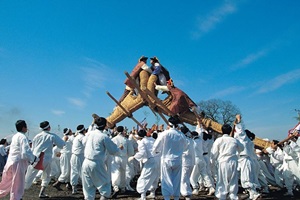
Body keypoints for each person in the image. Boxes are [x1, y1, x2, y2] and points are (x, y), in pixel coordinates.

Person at [81, 117, 120, 200]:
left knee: (88, 189)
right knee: (105, 188)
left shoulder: (90, 133)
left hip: (86, 162)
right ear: (105, 126)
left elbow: (83, 142)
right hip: (96, 163)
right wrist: (119, 148)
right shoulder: (104, 137)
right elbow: (113, 151)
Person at [24, 121, 65, 198]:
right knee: (46, 176)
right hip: (46, 158)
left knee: (30, 175)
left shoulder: (37, 136)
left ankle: (20, 191)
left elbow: (33, 148)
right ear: (49, 127)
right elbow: (62, 144)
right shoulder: (52, 136)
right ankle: (42, 192)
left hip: (36, 158)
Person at [0, 120, 39, 200]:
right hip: (18, 163)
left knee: (6, 183)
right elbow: (25, 152)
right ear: (23, 127)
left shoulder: (15, 136)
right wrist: (34, 158)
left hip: (10, 162)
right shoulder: (23, 137)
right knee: (17, 184)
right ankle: (17, 198)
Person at [152, 116, 187, 200]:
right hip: (178, 159)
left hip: (166, 159)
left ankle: (167, 197)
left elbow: (156, 146)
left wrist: (157, 152)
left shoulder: (165, 133)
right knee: (177, 179)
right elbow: (185, 146)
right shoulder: (181, 135)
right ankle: (176, 197)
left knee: (165, 179)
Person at [210, 123, 244, 200]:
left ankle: (222, 196)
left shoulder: (219, 140)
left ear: (222, 131)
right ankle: (233, 195)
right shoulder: (234, 140)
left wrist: (212, 162)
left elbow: (214, 152)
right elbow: (242, 148)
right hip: (233, 161)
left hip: (223, 161)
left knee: (222, 179)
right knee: (233, 179)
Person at [128, 129, 160, 200]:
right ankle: (152, 193)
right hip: (158, 160)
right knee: (155, 177)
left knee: (144, 177)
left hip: (150, 160)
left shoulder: (143, 141)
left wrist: (134, 157)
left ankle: (143, 196)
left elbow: (142, 153)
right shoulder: (152, 139)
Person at [111, 126, 134, 197]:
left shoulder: (113, 139)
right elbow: (131, 151)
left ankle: (115, 187)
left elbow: (111, 149)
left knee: (115, 172)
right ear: (123, 130)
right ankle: (123, 188)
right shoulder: (126, 140)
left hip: (115, 157)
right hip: (124, 158)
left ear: (117, 131)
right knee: (123, 172)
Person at [180, 127, 195, 200]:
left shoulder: (184, 140)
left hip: (185, 161)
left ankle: (186, 193)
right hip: (191, 162)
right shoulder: (191, 140)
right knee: (186, 178)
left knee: (184, 178)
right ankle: (187, 192)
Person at [70, 125, 86, 194]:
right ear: (83, 130)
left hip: (73, 156)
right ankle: (85, 188)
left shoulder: (76, 137)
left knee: (74, 172)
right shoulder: (82, 137)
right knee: (83, 172)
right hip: (80, 156)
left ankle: (74, 188)